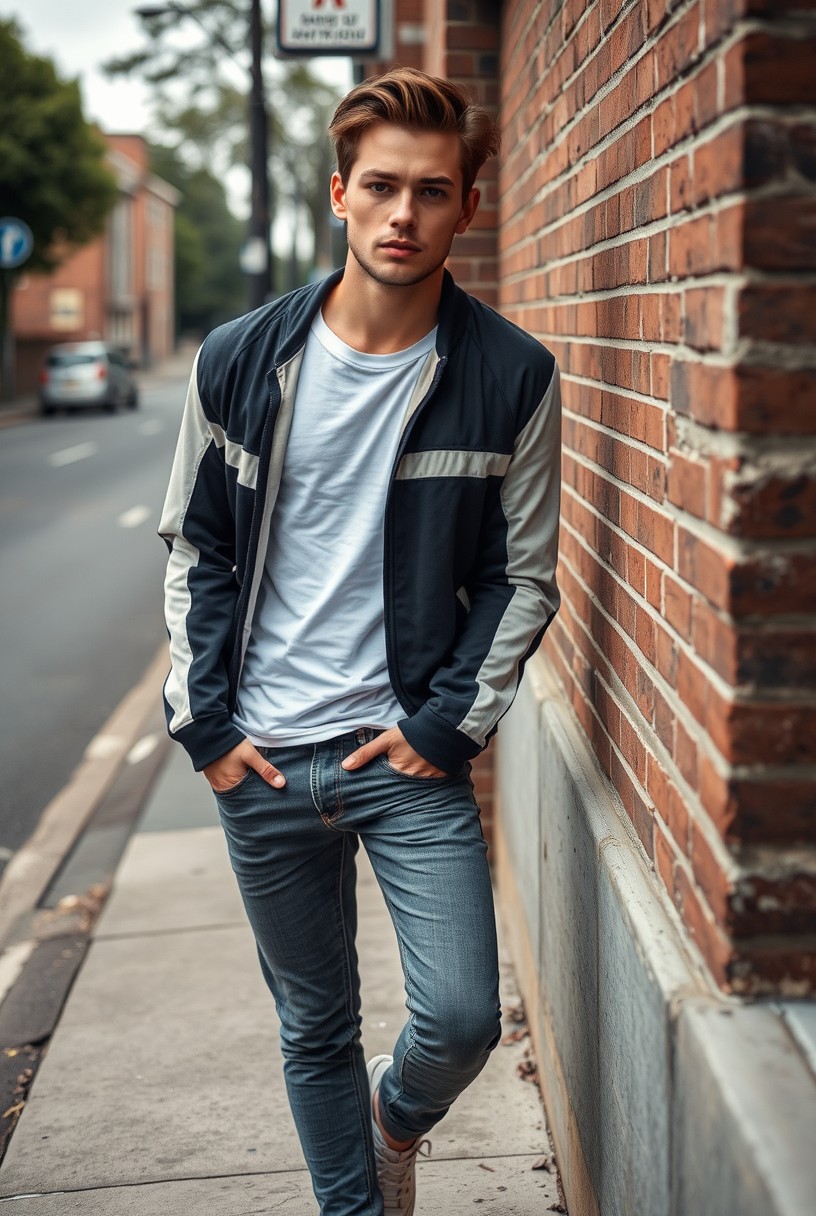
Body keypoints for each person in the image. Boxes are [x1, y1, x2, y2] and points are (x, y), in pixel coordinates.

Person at [159, 66, 561, 1216]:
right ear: (339, 192)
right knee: (313, 1024)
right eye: (380, 186)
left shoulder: (510, 375)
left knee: (461, 1018)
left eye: (431, 192)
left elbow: (519, 575)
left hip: (403, 757)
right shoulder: (240, 359)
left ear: (466, 208)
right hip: (265, 762)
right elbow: (194, 548)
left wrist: (444, 727)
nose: (403, 215)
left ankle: (395, 1122)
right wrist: (210, 731)